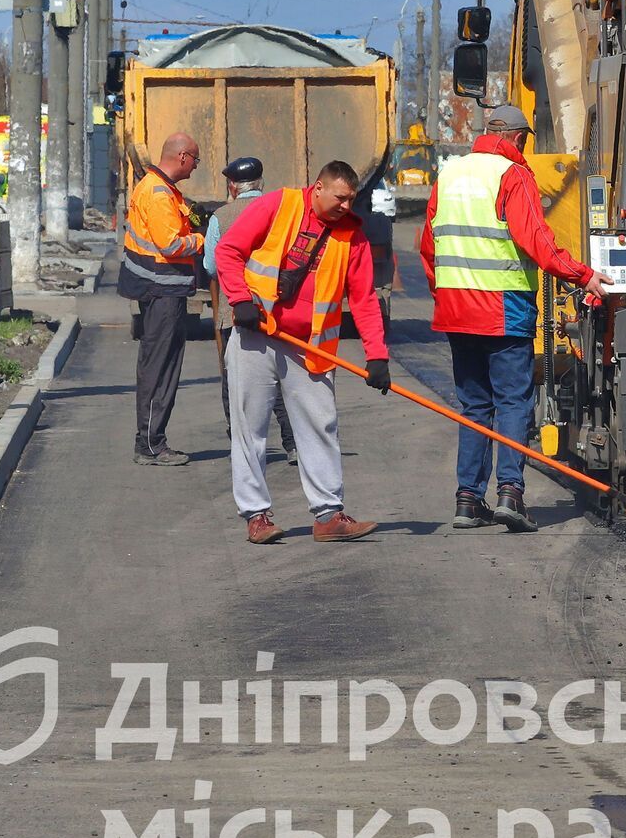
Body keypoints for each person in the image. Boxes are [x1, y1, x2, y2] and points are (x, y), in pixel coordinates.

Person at [420, 104, 598, 533]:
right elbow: (536, 240)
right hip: (503, 310)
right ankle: (511, 495)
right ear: (519, 138)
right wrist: (584, 275)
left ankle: (467, 500)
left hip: (456, 310)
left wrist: (446, 294)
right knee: (513, 402)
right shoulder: (512, 174)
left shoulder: (450, 174)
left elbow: (428, 246)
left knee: (474, 406)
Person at [216, 159, 389, 545]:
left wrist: (377, 356)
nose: (346, 206)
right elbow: (229, 251)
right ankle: (256, 516)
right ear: (318, 188)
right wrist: (241, 300)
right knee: (250, 428)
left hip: (309, 348)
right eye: (340, 198)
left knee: (320, 426)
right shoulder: (279, 206)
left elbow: (363, 300)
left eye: (352, 199)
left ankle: (329, 515)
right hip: (256, 334)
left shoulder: (353, 239)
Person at [204, 155, 297, 462]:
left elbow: (211, 266)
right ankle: (292, 443)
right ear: (261, 184)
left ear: (233, 187)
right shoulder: (281, 212)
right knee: (281, 377)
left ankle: (241, 444)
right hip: (276, 310)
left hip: (235, 311)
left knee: (235, 380)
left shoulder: (221, 217)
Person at [119, 131, 204, 465]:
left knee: (161, 365)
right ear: (182, 157)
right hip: (161, 290)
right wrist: (202, 240)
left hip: (162, 290)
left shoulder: (162, 189)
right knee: (160, 368)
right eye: (195, 160)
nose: (195, 167)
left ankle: (151, 441)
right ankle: (151, 444)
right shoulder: (157, 193)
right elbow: (171, 244)